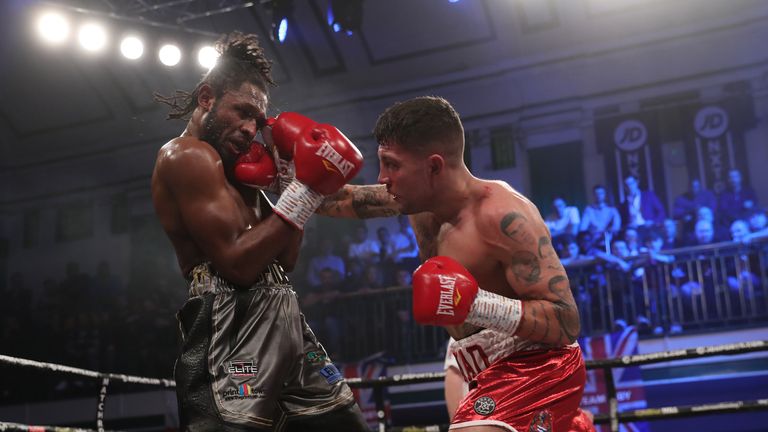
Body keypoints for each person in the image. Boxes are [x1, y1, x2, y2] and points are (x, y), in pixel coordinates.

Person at [316, 96, 594, 431]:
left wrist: (474, 303)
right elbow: (344, 200)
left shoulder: (503, 217)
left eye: (392, 165)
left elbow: (566, 322)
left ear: (433, 166)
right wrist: (278, 177)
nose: (383, 177)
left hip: (536, 364)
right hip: (478, 365)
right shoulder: (413, 198)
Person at [150, 32, 368, 431]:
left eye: (258, 119)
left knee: (346, 424)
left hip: (283, 315)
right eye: (242, 112)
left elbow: (284, 259)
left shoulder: (242, 166)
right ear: (206, 98)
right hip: (227, 324)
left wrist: (289, 179)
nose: (252, 129)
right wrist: (306, 189)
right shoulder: (186, 156)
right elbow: (238, 265)